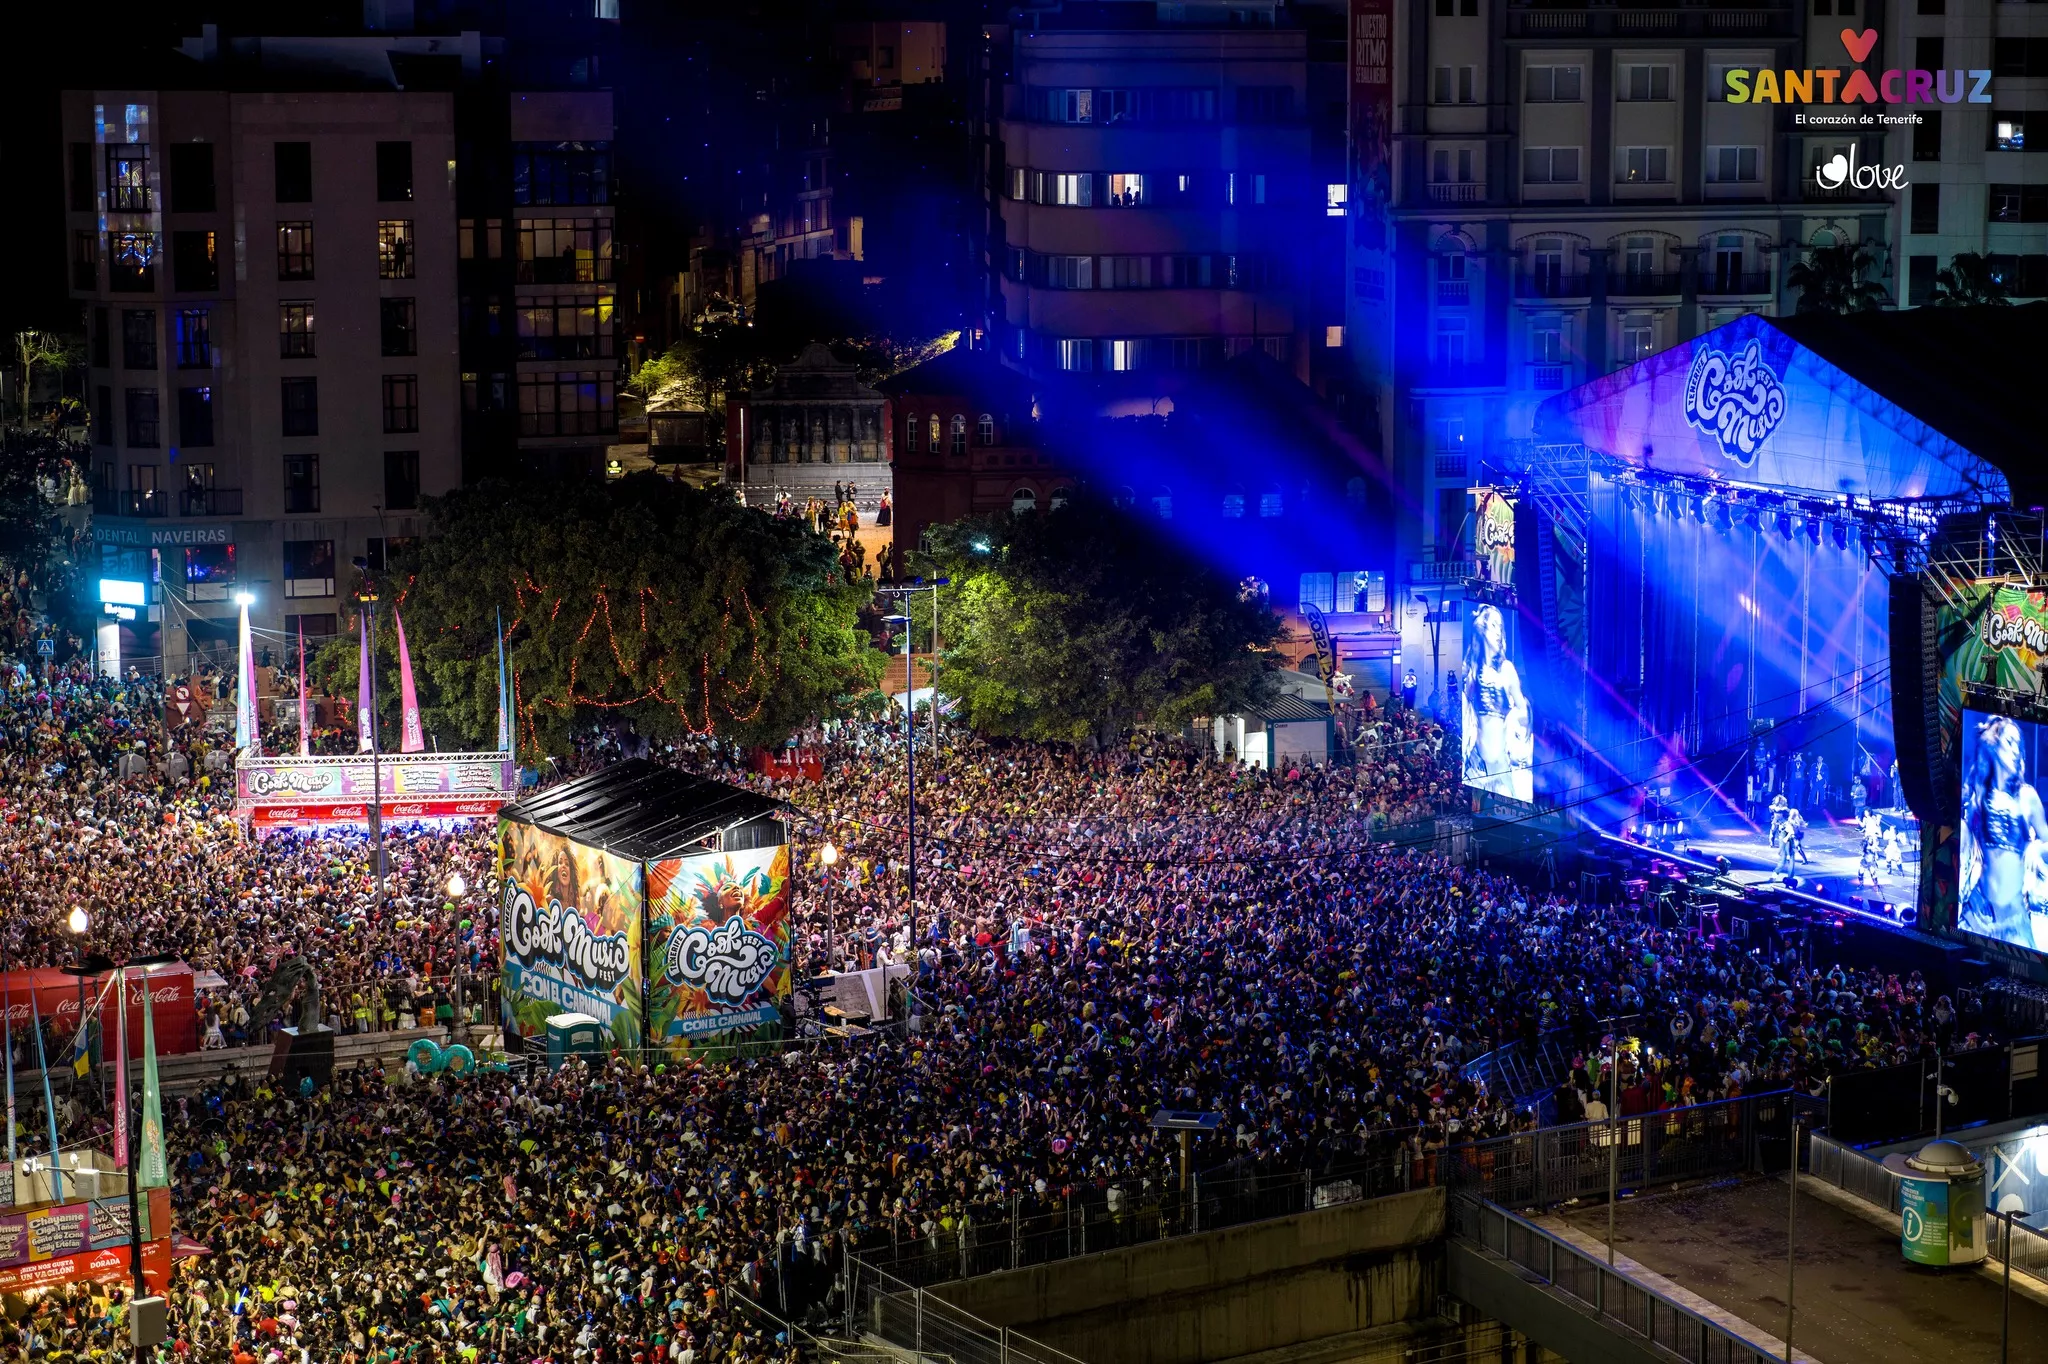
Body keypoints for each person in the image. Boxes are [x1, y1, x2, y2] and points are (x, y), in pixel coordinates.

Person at [1959, 715, 2048, 947]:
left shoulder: (2027, 796)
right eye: (2009, 742)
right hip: (1978, 914)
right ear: (1994, 744)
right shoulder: (1979, 798)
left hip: (2014, 920)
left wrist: (2037, 848)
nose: (2016, 750)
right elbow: (1966, 845)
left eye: (2019, 745)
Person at [1460, 605, 1532, 801]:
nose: (1498, 632)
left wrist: (1513, 720)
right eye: (1493, 626)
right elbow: (1465, 708)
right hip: (1478, 761)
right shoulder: (1474, 670)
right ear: (1482, 629)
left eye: (1500, 627)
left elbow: (1523, 710)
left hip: (1501, 759)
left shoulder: (1506, 669)